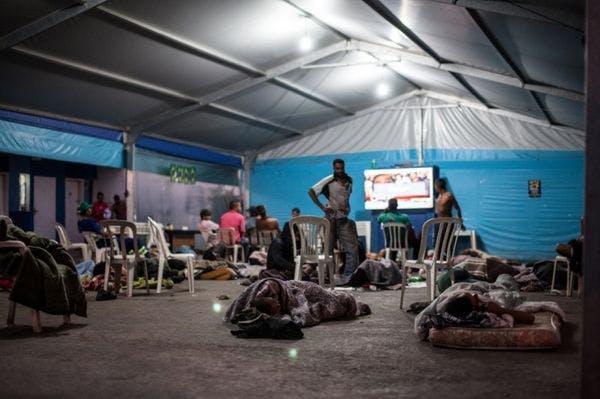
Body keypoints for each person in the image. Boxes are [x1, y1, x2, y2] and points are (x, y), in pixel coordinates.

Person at [308, 158, 360, 284]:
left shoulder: (349, 180)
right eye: (337, 168)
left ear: (344, 167)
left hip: (343, 218)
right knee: (328, 249)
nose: (340, 170)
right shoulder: (329, 179)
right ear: (333, 168)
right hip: (330, 219)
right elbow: (311, 191)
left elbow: (344, 197)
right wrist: (322, 207)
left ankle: (349, 277)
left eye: (341, 168)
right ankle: (326, 277)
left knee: (352, 248)